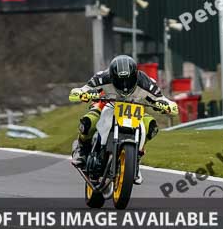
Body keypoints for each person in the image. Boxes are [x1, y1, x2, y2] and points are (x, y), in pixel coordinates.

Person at [69, 55, 178, 184]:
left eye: (128, 80)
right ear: (112, 76)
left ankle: (135, 159)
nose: (125, 85)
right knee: (88, 121)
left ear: (135, 75)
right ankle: (81, 149)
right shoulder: (102, 77)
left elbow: (163, 99)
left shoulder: (146, 82)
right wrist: (84, 94)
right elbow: (81, 91)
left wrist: (166, 105)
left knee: (151, 126)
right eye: (120, 81)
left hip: (135, 109)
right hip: (107, 104)